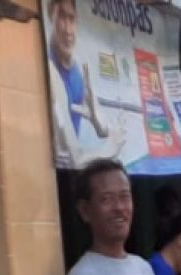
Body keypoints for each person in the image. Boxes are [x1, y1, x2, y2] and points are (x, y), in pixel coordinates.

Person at [46, 0, 124, 168]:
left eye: (71, 19)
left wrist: (98, 121)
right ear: (50, 18)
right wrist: (109, 150)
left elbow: (102, 128)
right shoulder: (50, 70)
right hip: (55, 175)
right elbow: (74, 158)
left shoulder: (79, 69)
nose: (67, 30)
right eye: (61, 18)